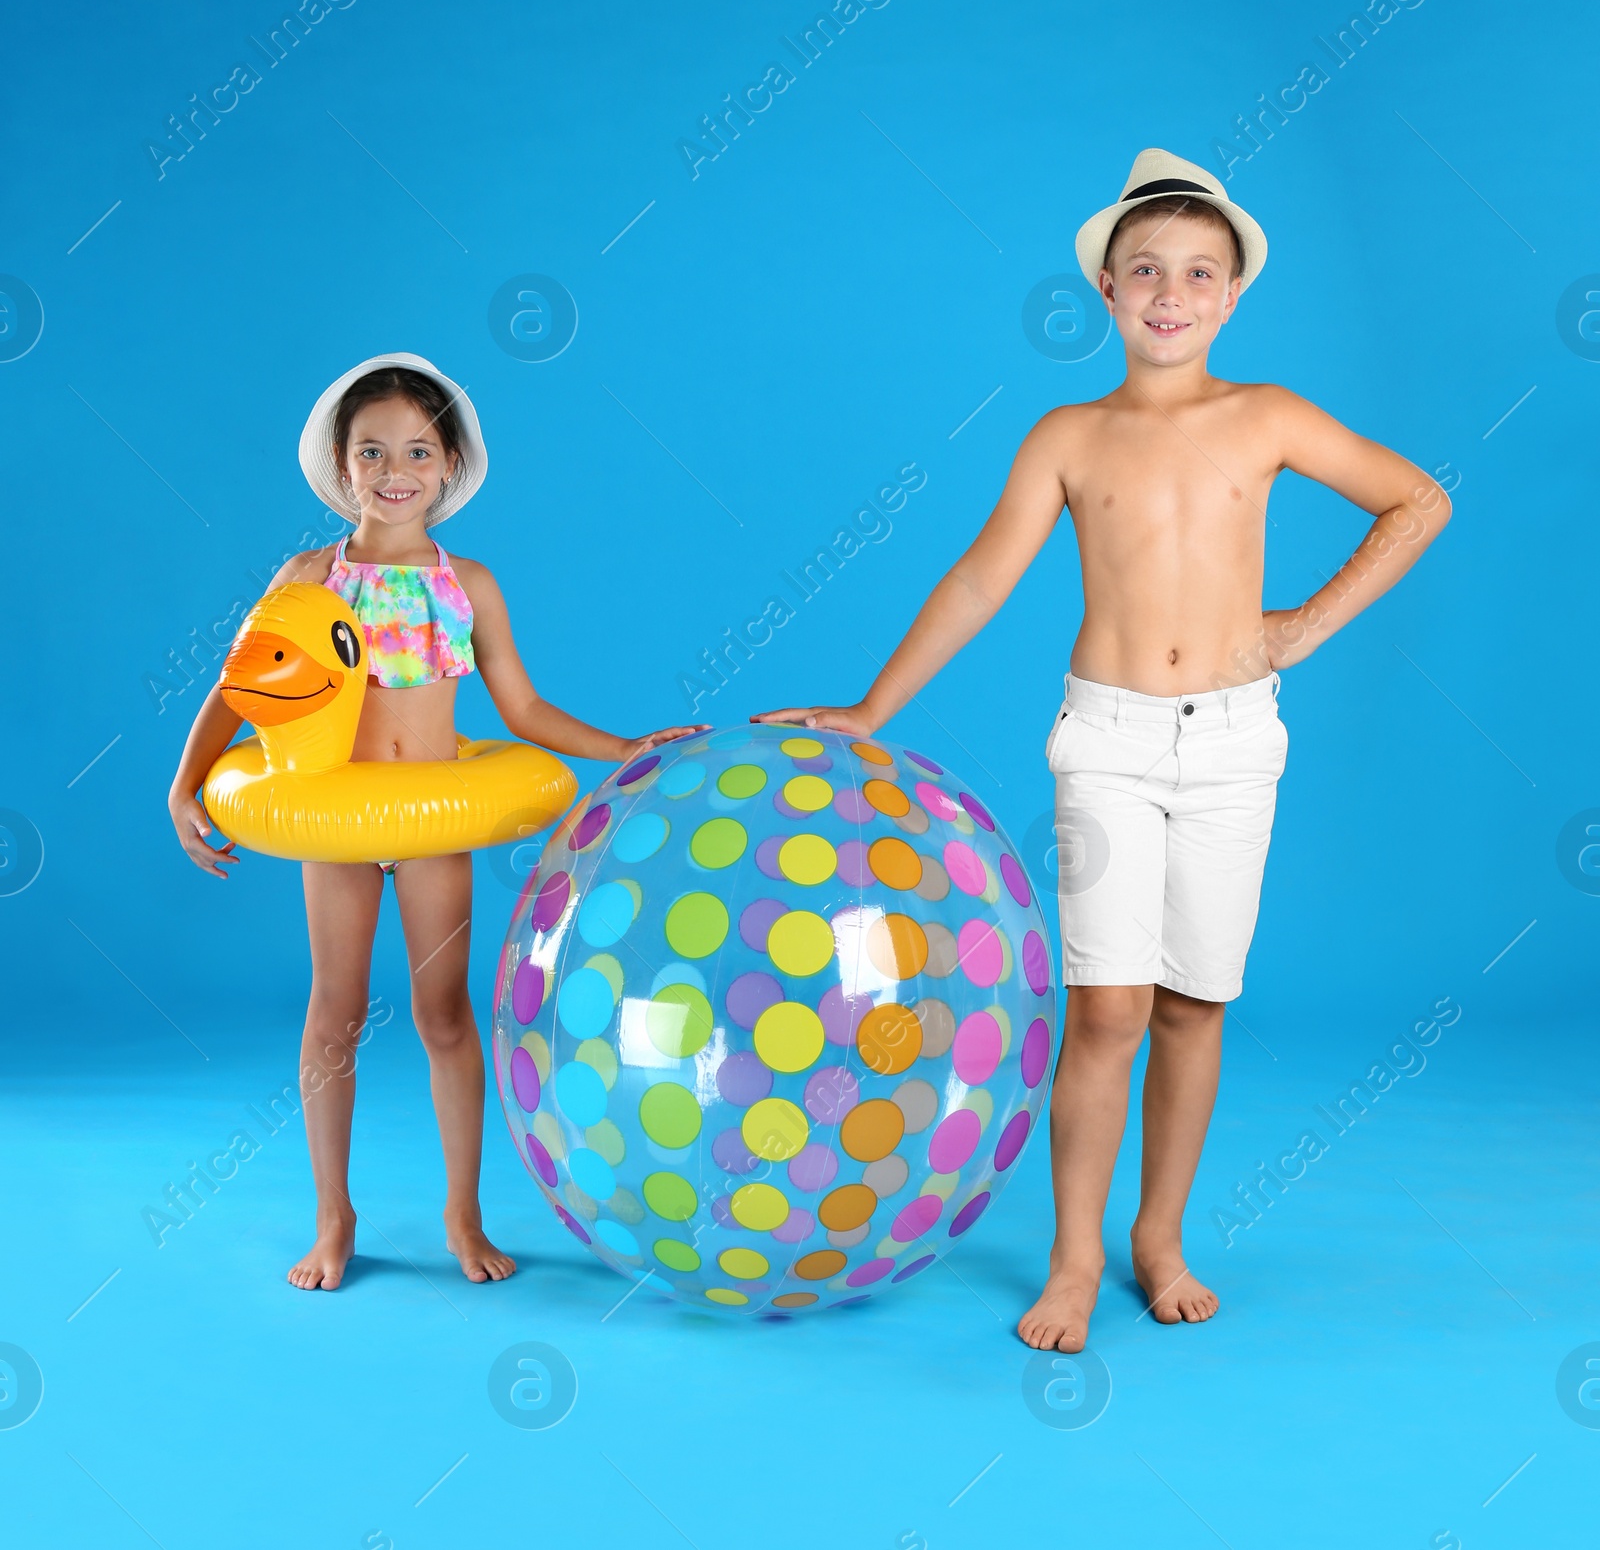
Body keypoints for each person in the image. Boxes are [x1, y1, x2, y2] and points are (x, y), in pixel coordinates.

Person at [757, 150, 1450, 1351]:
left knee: (1193, 1004)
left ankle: (1159, 1236)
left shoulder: (1267, 413)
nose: (1169, 292)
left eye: (1195, 273)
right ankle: (1073, 1256)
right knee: (1107, 1008)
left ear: (1229, 296)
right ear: (1107, 294)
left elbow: (1416, 500)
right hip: (1108, 743)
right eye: (1144, 272)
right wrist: (873, 710)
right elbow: (980, 579)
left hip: (1236, 742)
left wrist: (1300, 627)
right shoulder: (1068, 435)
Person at [168, 352, 703, 1291]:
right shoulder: (310, 578)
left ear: (450, 464)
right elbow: (241, 688)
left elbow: (525, 713)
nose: (394, 471)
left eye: (416, 450)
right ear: (342, 464)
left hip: (432, 826)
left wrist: (621, 747)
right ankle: (334, 1217)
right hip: (337, 818)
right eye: (371, 452)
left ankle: (463, 1212)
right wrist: (186, 784)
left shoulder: (471, 585)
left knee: (443, 1014)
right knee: (333, 1013)